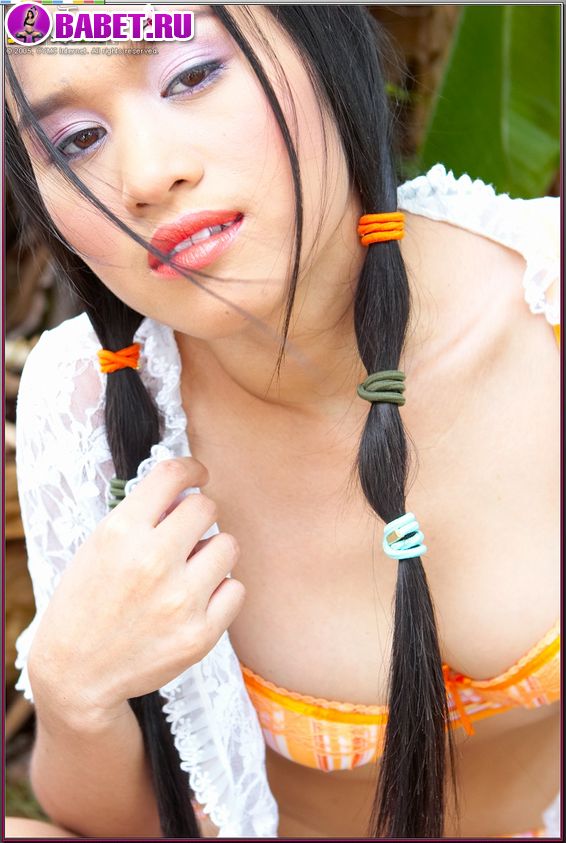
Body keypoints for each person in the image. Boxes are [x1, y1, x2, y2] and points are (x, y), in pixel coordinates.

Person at [4, 4, 560, 839]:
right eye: (77, 140)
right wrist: (72, 688)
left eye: (192, 75)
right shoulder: (89, 398)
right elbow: (118, 823)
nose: (147, 174)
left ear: (324, 43)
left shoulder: (545, 308)